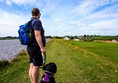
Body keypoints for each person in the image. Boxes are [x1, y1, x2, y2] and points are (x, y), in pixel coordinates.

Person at [27, 8, 46, 83]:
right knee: (36, 67)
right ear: (38, 14)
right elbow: (37, 34)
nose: (40, 15)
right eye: (40, 13)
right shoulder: (37, 21)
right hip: (36, 48)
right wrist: (42, 47)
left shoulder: (30, 22)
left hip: (30, 47)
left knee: (31, 66)